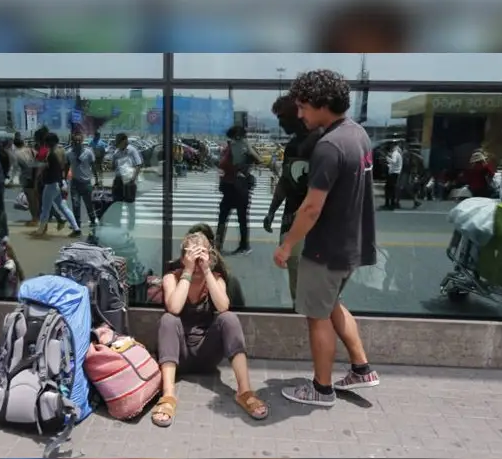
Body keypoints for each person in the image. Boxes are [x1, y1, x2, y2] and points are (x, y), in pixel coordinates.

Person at [272, 69, 380, 407]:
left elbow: (311, 209)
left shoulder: (329, 146)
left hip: (325, 249)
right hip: (350, 246)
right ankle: (361, 369)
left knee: (317, 318)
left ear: (322, 103)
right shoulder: (357, 134)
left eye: (303, 107)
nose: (300, 114)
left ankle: (321, 389)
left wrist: (287, 245)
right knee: (331, 304)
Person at [152, 231, 268, 427]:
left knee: (228, 318)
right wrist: (187, 272)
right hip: (178, 356)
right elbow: (174, 307)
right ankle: (168, 396)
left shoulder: (215, 278)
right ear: (183, 258)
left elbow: (223, 306)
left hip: (207, 352)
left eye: (201, 257)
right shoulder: (172, 278)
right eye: (192, 257)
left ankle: (245, 391)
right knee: (168, 320)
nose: (197, 263)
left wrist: (206, 271)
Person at [264, 93, 322, 303]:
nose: (279, 123)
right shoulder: (293, 145)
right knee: (297, 285)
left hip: (311, 226)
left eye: (282, 118)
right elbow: (285, 182)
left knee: (308, 292)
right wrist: (272, 210)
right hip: (292, 220)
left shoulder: (320, 142)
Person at [216, 126, 260, 255]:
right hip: (233, 187)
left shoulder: (239, 147)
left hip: (236, 187)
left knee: (228, 216)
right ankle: (241, 245)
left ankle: (224, 245)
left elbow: (255, 159)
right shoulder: (235, 147)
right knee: (237, 217)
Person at [30, 133, 81, 238]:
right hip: (58, 184)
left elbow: (44, 167)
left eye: (46, 141)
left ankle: (40, 231)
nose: (45, 143)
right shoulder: (58, 152)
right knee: (63, 207)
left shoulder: (50, 154)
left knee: (45, 209)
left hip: (51, 185)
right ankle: (76, 228)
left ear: (50, 142)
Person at [65, 131, 98, 230]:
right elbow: (66, 167)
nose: (78, 142)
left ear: (82, 141)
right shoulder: (69, 153)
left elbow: (94, 166)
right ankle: (77, 224)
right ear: (72, 141)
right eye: (75, 141)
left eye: (79, 140)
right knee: (75, 204)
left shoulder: (88, 152)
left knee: (89, 204)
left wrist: (97, 179)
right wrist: (64, 179)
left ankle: (92, 220)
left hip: (86, 183)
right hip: (75, 182)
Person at [111, 133, 142, 231]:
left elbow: (138, 164)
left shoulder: (132, 150)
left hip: (129, 181)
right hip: (119, 180)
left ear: (124, 141)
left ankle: (131, 226)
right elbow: (113, 166)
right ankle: (117, 224)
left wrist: (133, 179)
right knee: (117, 203)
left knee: (130, 204)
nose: (118, 145)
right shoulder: (116, 152)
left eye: (119, 142)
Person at [384, 140, 404, 209]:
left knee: (388, 188)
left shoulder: (395, 153)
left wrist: (387, 158)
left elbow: (394, 161)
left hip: (393, 173)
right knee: (392, 188)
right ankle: (392, 203)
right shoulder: (398, 153)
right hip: (396, 172)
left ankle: (388, 203)